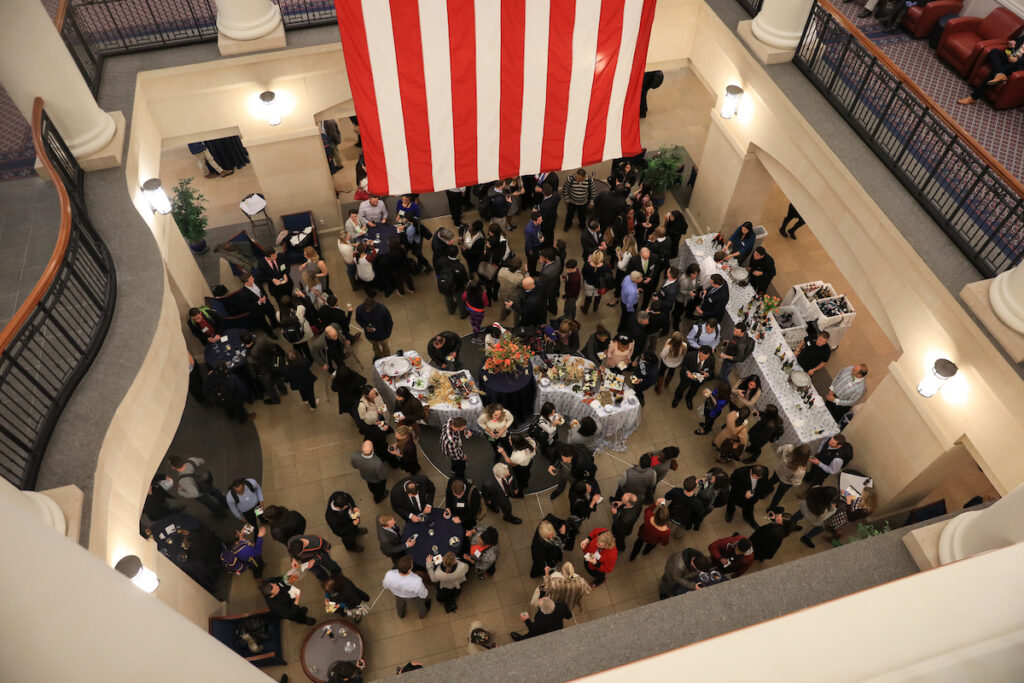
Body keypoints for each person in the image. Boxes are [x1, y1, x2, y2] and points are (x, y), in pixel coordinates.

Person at [959, 39, 1024, 105]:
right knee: (994, 51)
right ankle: (999, 74)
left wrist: (1017, 60)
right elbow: (1014, 47)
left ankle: (973, 97)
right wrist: (1011, 45)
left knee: (993, 72)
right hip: (1010, 57)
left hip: (1017, 65)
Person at [766, 444, 810, 512]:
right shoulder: (800, 470)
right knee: (779, 494)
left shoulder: (788, 447)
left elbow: (779, 451)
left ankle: (762, 492)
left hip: (778, 470)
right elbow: (796, 482)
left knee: (771, 481)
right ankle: (771, 508)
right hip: (785, 482)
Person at [725, 465, 771, 529]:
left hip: (753, 496)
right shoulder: (739, 473)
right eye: (755, 477)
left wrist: (759, 493)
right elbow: (732, 483)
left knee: (749, 507)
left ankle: (748, 518)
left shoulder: (765, 470)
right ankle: (730, 512)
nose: (757, 479)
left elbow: (763, 482)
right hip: (738, 494)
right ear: (751, 471)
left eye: (759, 477)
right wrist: (744, 493)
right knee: (732, 503)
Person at [672, 345, 715, 409]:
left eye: (705, 358)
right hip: (687, 377)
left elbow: (712, 369)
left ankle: (689, 399)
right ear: (699, 352)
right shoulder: (690, 355)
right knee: (681, 388)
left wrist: (707, 374)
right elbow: (683, 365)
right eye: (701, 356)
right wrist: (687, 372)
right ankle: (677, 398)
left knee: (694, 390)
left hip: (699, 379)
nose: (703, 359)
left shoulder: (711, 359)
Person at [437, 245, 470, 317]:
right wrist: (466, 282)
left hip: (446, 284)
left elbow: (438, 270)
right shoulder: (459, 266)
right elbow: (463, 277)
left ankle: (451, 310)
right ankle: (463, 314)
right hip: (457, 286)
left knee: (448, 297)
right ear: (457, 253)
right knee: (460, 300)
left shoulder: (441, 260)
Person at [497, 257, 526, 321]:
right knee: (516, 310)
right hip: (514, 297)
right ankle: (516, 323)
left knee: (504, 306)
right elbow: (524, 285)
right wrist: (526, 272)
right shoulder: (519, 277)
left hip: (503, 294)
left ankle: (502, 317)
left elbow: (498, 280)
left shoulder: (502, 270)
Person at [673, 263, 701, 329]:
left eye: (696, 274)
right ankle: (675, 325)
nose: (695, 275)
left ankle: (674, 314)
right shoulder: (684, 280)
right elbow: (681, 291)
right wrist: (689, 293)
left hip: (687, 297)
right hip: (681, 299)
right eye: (694, 274)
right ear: (690, 272)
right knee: (679, 312)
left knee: (677, 310)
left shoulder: (695, 277)